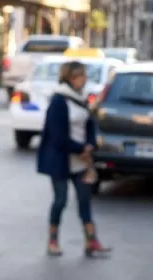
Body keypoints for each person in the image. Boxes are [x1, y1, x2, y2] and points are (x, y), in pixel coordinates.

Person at [36, 61, 110, 258]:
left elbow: (89, 125)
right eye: (81, 76)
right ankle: (53, 241)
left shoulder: (81, 98)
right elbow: (57, 136)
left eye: (85, 75)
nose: (84, 79)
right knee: (60, 200)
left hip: (81, 161)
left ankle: (91, 241)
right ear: (71, 78)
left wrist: (90, 145)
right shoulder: (59, 101)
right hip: (61, 159)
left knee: (84, 200)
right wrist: (80, 148)